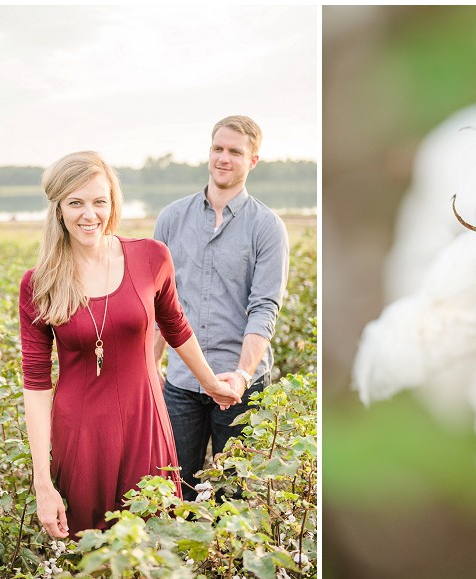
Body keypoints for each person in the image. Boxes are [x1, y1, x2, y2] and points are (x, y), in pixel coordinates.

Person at [19, 151, 239, 541]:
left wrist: (209, 382)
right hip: (81, 436)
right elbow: (36, 385)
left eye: (99, 201)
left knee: (147, 550)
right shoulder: (40, 283)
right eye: (76, 203)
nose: (90, 214)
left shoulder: (151, 257)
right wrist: (42, 483)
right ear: (58, 209)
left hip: (146, 425)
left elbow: (176, 326)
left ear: (113, 203)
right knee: (91, 559)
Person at [154, 115, 289, 500]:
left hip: (238, 385)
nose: (223, 158)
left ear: (253, 160)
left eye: (235, 151)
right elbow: (160, 306)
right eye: (218, 148)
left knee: (235, 497)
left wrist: (242, 376)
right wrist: (151, 366)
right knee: (176, 491)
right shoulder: (171, 219)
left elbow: (264, 308)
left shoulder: (267, 227)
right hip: (181, 383)